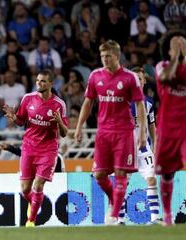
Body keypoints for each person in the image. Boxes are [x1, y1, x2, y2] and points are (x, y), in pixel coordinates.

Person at [74, 40, 147, 225]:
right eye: (102, 56)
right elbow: (88, 102)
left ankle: (113, 216)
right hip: (103, 132)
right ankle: (115, 200)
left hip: (123, 131)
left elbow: (139, 104)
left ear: (117, 56)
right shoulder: (95, 76)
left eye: (108, 56)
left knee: (121, 172)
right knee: (99, 174)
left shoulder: (130, 77)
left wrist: (143, 132)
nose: (105, 59)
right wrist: (79, 126)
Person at [2, 69, 68, 227]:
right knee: (25, 189)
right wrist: (14, 117)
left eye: (43, 81)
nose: (39, 83)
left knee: (38, 185)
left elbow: (64, 133)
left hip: (48, 150)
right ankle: (35, 202)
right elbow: (21, 121)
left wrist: (59, 122)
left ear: (51, 83)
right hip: (29, 148)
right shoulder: (28, 98)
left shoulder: (59, 104)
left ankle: (31, 220)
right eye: (38, 80)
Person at [117, 67, 161, 224]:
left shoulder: (148, 103)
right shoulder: (122, 102)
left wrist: (155, 146)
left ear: (143, 82)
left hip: (144, 149)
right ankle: (120, 220)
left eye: (140, 79)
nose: (137, 81)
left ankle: (155, 218)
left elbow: (152, 127)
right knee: (122, 183)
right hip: (126, 150)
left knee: (151, 180)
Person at [154, 31, 186, 226]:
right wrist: (176, 57)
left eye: (183, 42)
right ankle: (167, 216)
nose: (181, 45)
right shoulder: (162, 66)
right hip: (167, 127)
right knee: (167, 172)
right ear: (168, 49)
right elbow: (166, 78)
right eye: (177, 43)